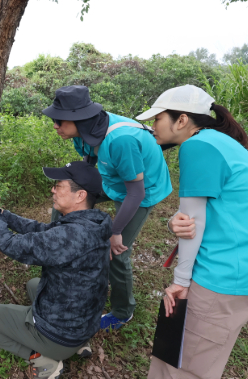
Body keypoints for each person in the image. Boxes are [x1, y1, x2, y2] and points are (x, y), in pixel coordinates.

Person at [135, 85, 248, 379]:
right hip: (245, 274)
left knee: (180, 367)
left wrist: (180, 281)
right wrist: (173, 223)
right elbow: (197, 216)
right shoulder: (221, 142)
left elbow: (194, 223)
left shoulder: (198, 146)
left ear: (181, 120)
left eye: (157, 118)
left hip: (220, 276)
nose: (152, 126)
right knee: (201, 362)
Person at [42, 85, 172, 331]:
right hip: (111, 177)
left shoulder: (120, 140)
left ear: (78, 119)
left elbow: (135, 191)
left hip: (140, 190)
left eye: (59, 121)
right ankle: (63, 253)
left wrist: (115, 232)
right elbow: (89, 163)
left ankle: (123, 311)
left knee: (115, 253)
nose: (55, 126)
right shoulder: (83, 133)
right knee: (63, 205)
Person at [0, 161, 111, 379]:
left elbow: (9, 244)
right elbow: (42, 230)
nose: (52, 189)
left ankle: (42, 360)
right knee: (33, 285)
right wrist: (2, 212)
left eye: (59, 185)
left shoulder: (70, 235)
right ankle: (80, 343)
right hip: (83, 323)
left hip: (60, 337)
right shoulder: (93, 223)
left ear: (80, 195)